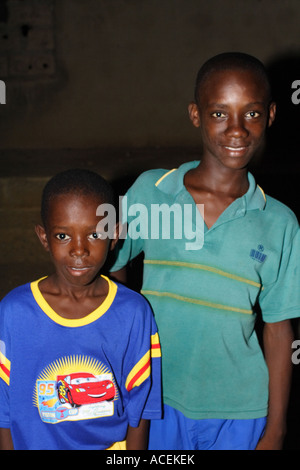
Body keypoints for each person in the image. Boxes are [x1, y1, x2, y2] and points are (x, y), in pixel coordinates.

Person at [110, 52, 300, 450]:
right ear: (196, 114)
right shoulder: (152, 192)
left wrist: (277, 429)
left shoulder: (280, 222)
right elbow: (112, 267)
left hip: (241, 411)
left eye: (251, 114)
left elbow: (279, 329)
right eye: (219, 114)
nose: (237, 130)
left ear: (271, 115)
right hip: (155, 400)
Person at [0, 168, 162, 450]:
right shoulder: (14, 312)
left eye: (94, 235)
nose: (79, 250)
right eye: (63, 236)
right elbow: (4, 406)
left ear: (115, 237)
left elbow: (141, 408)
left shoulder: (133, 313)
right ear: (44, 238)